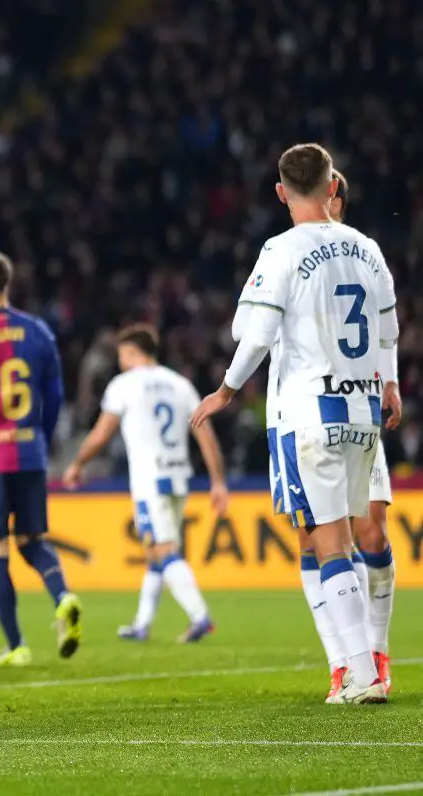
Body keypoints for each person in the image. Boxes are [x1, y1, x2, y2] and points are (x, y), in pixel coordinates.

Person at [193, 143, 400, 705]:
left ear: (282, 192)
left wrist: (226, 390)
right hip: (362, 413)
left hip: (307, 415)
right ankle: (357, 668)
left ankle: (362, 673)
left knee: (329, 544)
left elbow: (254, 334)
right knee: (341, 540)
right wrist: (390, 384)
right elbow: (388, 329)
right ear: (333, 186)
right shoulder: (368, 247)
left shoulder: (280, 249)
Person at [249, 170, 396, 699]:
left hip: (355, 409)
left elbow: (386, 329)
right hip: (298, 413)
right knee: (313, 537)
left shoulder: (360, 256)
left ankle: (374, 654)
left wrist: (390, 382)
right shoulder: (288, 257)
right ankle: (344, 663)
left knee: (371, 531)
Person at [0, 249, 82, 665]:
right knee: (31, 540)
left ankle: (17, 645)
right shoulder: (38, 331)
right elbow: (55, 398)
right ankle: (63, 595)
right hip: (30, 453)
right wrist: (40, 440)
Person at [63, 324, 227, 642]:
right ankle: (142, 624)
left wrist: (78, 464)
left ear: (132, 353)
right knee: (155, 550)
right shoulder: (180, 384)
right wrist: (218, 480)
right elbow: (205, 435)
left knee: (164, 549)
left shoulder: (124, 385)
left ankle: (200, 617)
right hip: (178, 476)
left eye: (122, 354)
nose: (120, 361)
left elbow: (100, 434)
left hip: (150, 479)